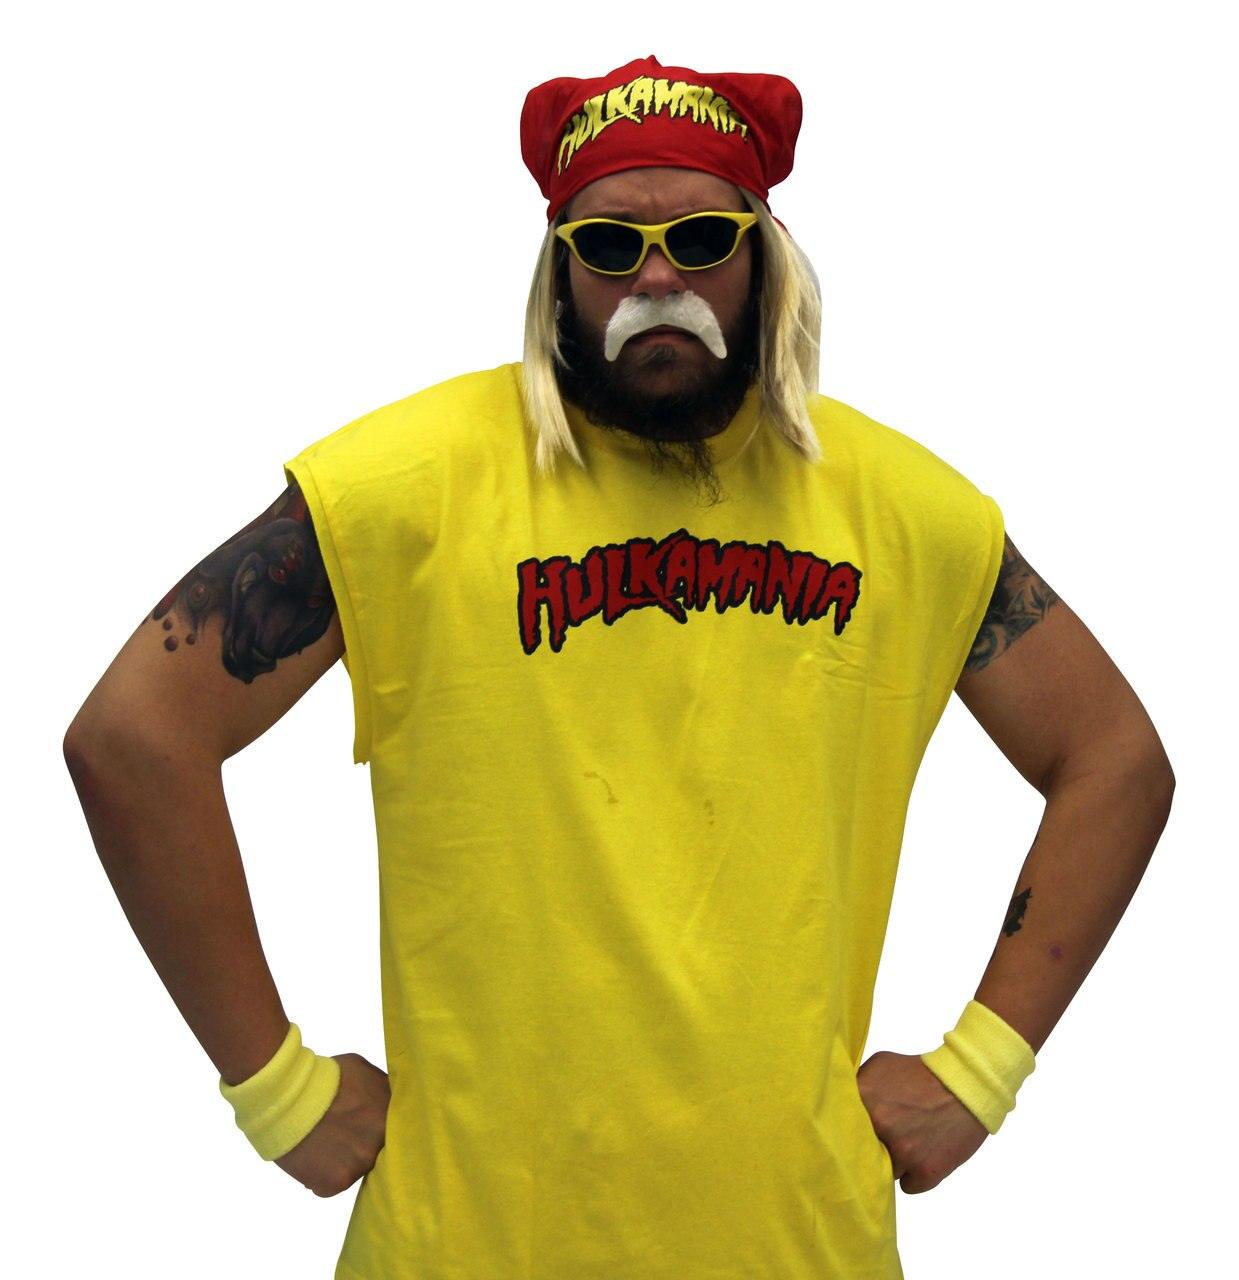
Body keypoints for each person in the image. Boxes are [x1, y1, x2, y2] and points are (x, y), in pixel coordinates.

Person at [63, 53, 1175, 1280]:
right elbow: (135, 736)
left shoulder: (906, 513)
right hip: (466, 1249)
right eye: (608, 246)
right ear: (559, 273)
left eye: (701, 239)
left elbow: (1115, 758)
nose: (656, 279)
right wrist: (277, 1090)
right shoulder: (404, 490)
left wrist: (981, 1070)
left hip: (794, 1247)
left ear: (766, 257)